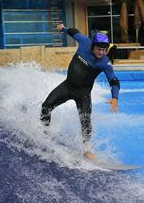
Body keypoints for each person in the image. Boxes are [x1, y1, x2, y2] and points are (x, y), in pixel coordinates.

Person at [40, 23, 120, 160]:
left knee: (85, 120)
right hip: (67, 87)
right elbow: (74, 31)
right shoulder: (84, 43)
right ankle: (45, 133)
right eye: (99, 49)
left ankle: (88, 149)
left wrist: (115, 97)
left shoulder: (105, 63)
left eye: (104, 50)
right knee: (45, 107)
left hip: (83, 94)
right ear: (92, 46)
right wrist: (63, 28)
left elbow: (114, 81)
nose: (101, 53)